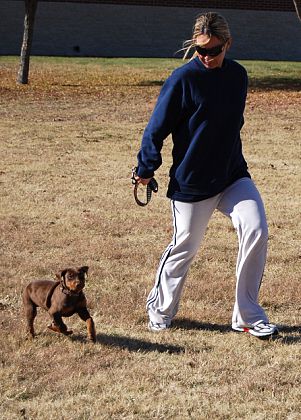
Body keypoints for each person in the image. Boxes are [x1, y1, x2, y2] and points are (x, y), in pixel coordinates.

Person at [133, 12, 278, 338]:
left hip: (232, 175)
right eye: (201, 51)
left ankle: (248, 316)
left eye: (215, 50)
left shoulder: (238, 76)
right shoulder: (183, 79)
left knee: (256, 229)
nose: (208, 57)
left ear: (228, 44)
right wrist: (145, 168)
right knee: (184, 246)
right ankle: (159, 311)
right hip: (192, 182)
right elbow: (157, 129)